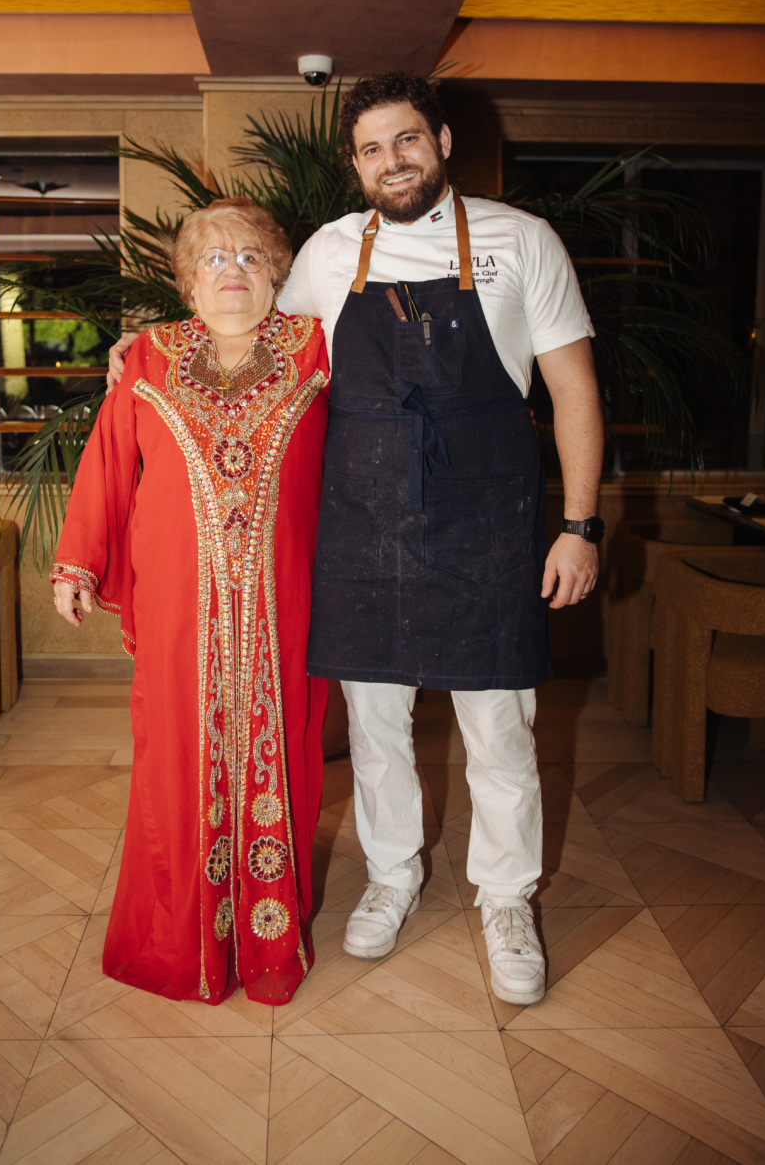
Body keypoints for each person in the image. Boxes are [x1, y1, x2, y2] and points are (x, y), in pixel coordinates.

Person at [109, 73, 604, 1006]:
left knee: (499, 727)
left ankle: (506, 899)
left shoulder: (520, 239)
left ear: (444, 142)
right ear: (356, 164)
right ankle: (393, 874)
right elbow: (247, 328)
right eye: (373, 149)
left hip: (490, 522)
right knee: (376, 726)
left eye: (408, 140)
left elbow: (574, 387)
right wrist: (144, 346)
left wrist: (579, 525)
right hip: (366, 525)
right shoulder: (333, 252)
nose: (393, 161)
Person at [52, 197, 329, 1006]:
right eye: (212, 258)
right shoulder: (147, 359)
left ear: (278, 273)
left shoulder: (317, 347)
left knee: (283, 750)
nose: (232, 271)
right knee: (178, 760)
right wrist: (77, 563)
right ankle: (184, 941)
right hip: (179, 607)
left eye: (249, 256)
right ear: (186, 281)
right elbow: (107, 461)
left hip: (288, 603)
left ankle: (271, 942)